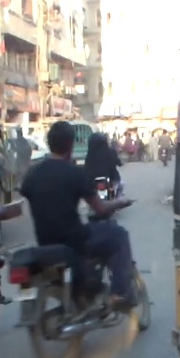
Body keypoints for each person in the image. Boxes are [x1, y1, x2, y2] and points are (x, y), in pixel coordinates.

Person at [19, 121, 137, 311]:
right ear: (71, 145)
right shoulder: (74, 173)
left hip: (45, 242)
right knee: (118, 235)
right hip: (75, 241)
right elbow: (101, 209)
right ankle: (119, 293)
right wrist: (120, 202)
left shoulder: (32, 174)